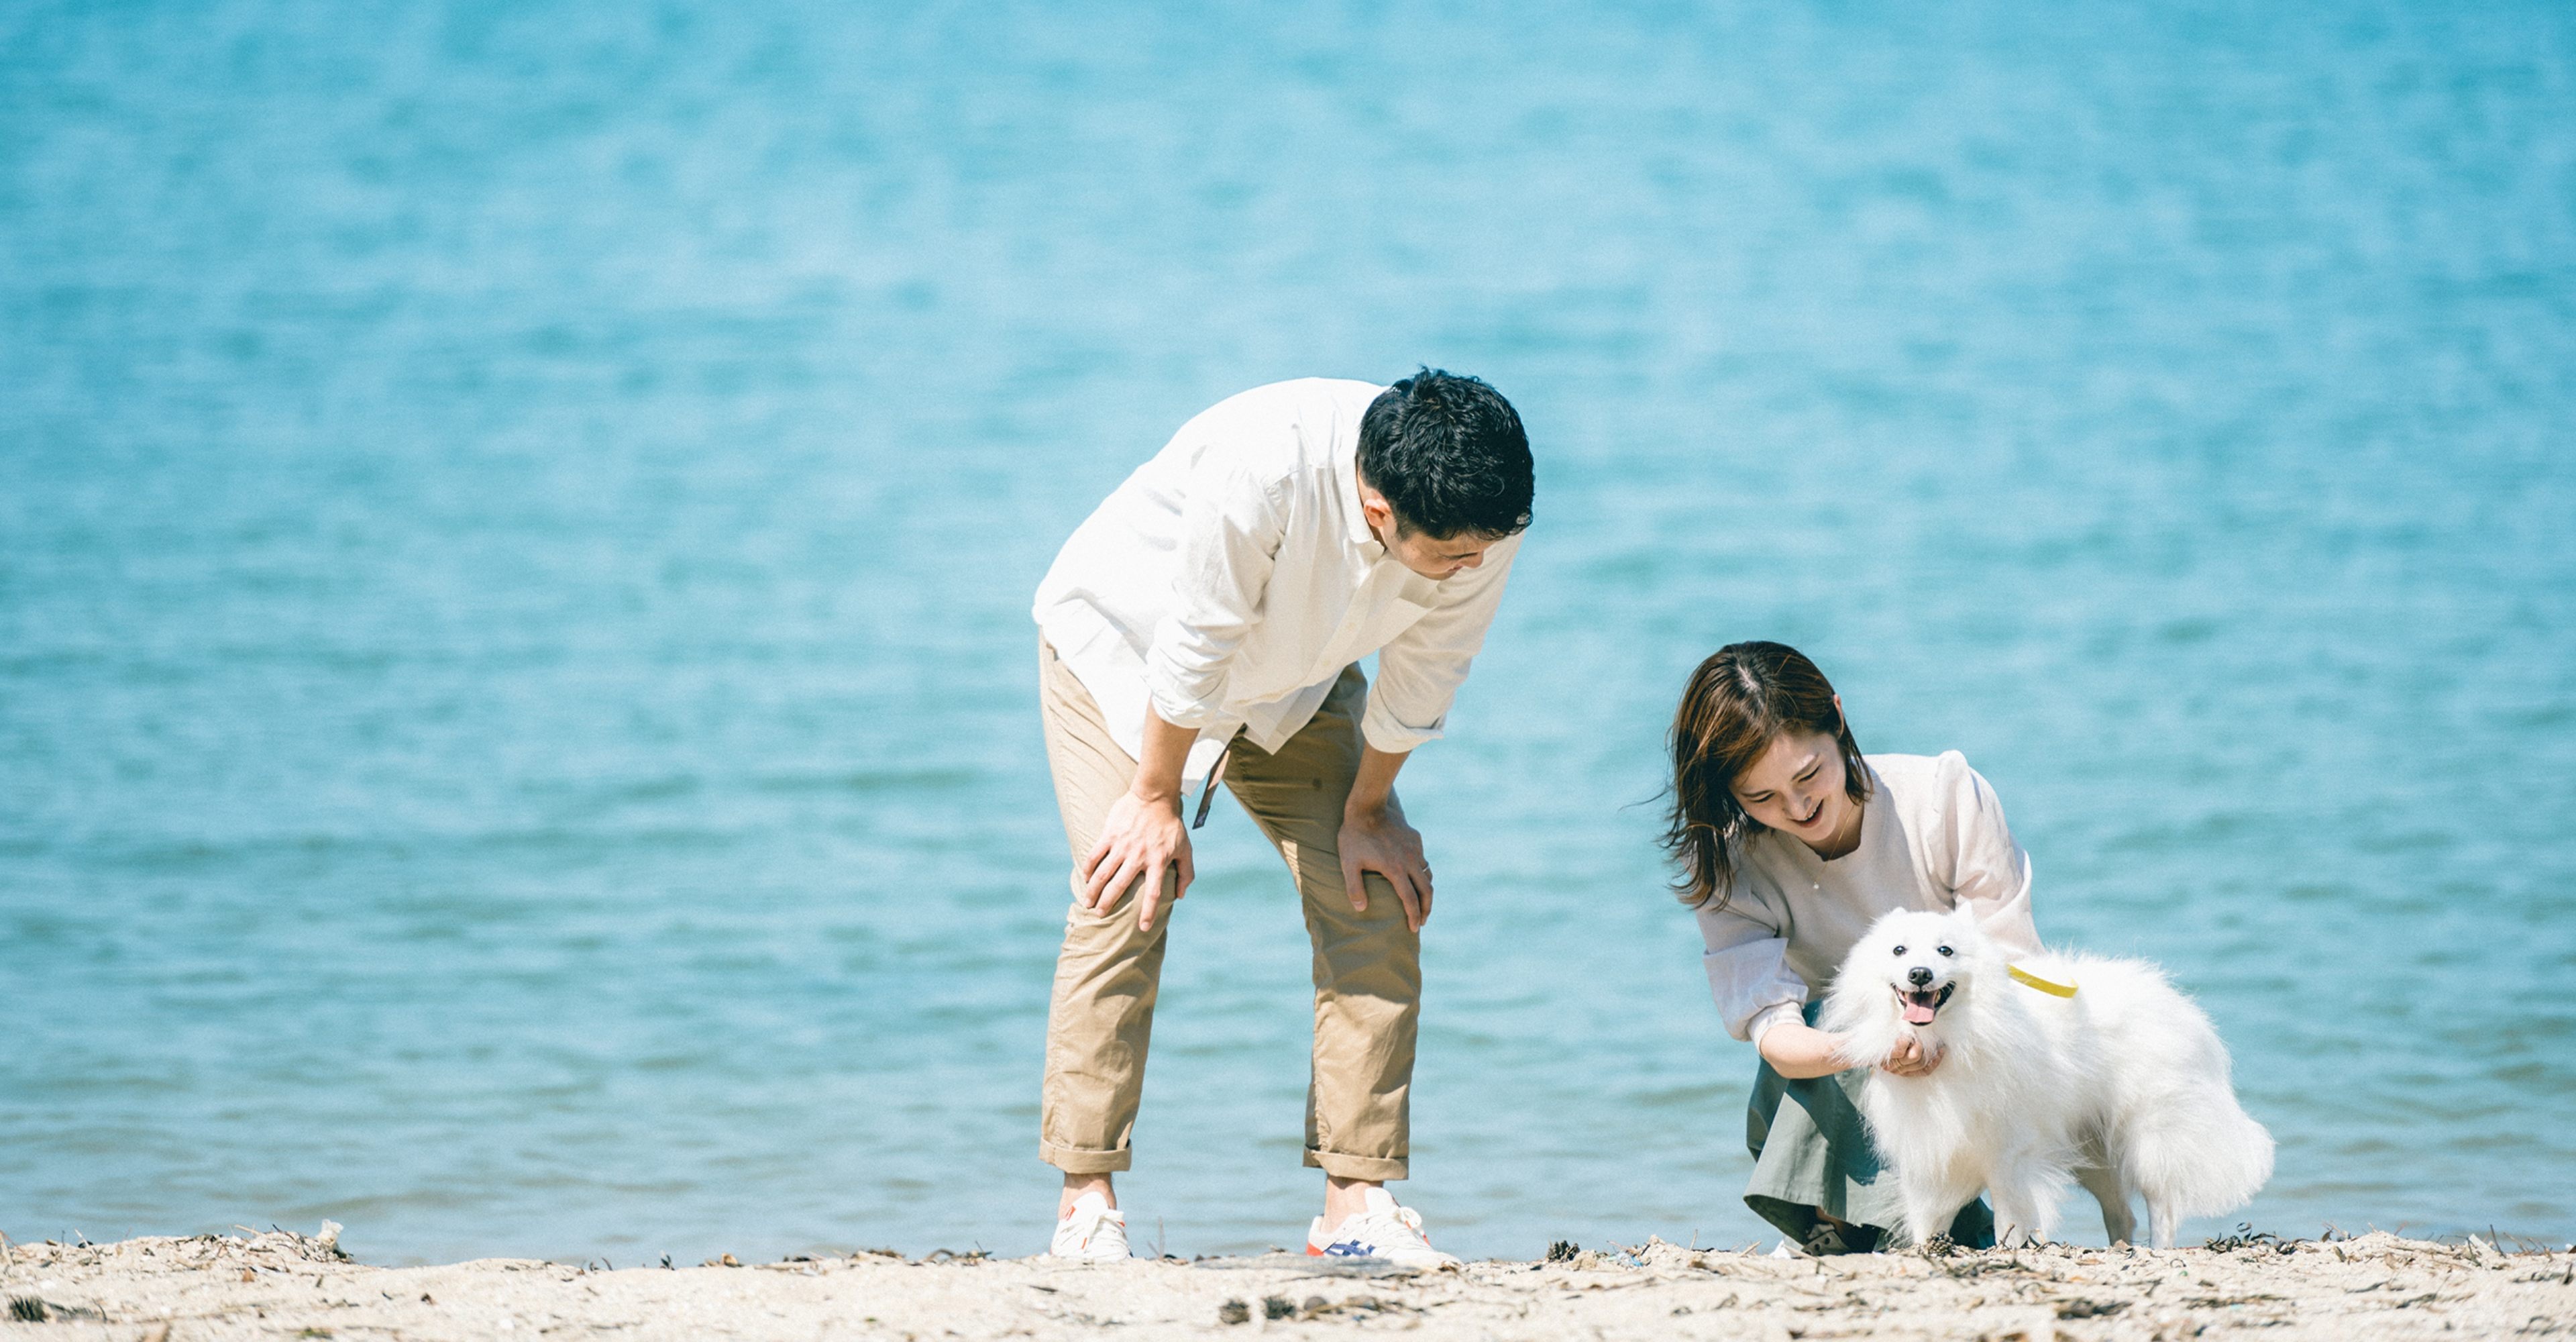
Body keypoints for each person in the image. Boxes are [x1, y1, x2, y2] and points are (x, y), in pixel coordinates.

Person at [1030, 371, 1534, 1263]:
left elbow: (1425, 677)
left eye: (1486, 548)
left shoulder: (1477, 513)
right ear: (1380, 512)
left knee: (1373, 892)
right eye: (1455, 554)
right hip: (1128, 656)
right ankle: (1086, 1205)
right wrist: (1156, 797)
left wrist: (1369, 809)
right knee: (1127, 888)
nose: (1477, 565)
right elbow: (1192, 645)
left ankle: (1352, 1207)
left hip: (1293, 685)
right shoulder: (1262, 471)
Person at [1664, 641, 2042, 1253]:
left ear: (1837, 719)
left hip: (1974, 1072)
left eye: (1809, 775)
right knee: (1838, 1011)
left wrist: (1934, 1039)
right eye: (1761, 798)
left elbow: (2016, 970)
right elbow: (1775, 1035)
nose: (1799, 807)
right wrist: (1873, 1047)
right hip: (1820, 1098)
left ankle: (1937, 1217)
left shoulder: (1943, 798)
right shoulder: (1728, 865)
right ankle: (1835, 1226)